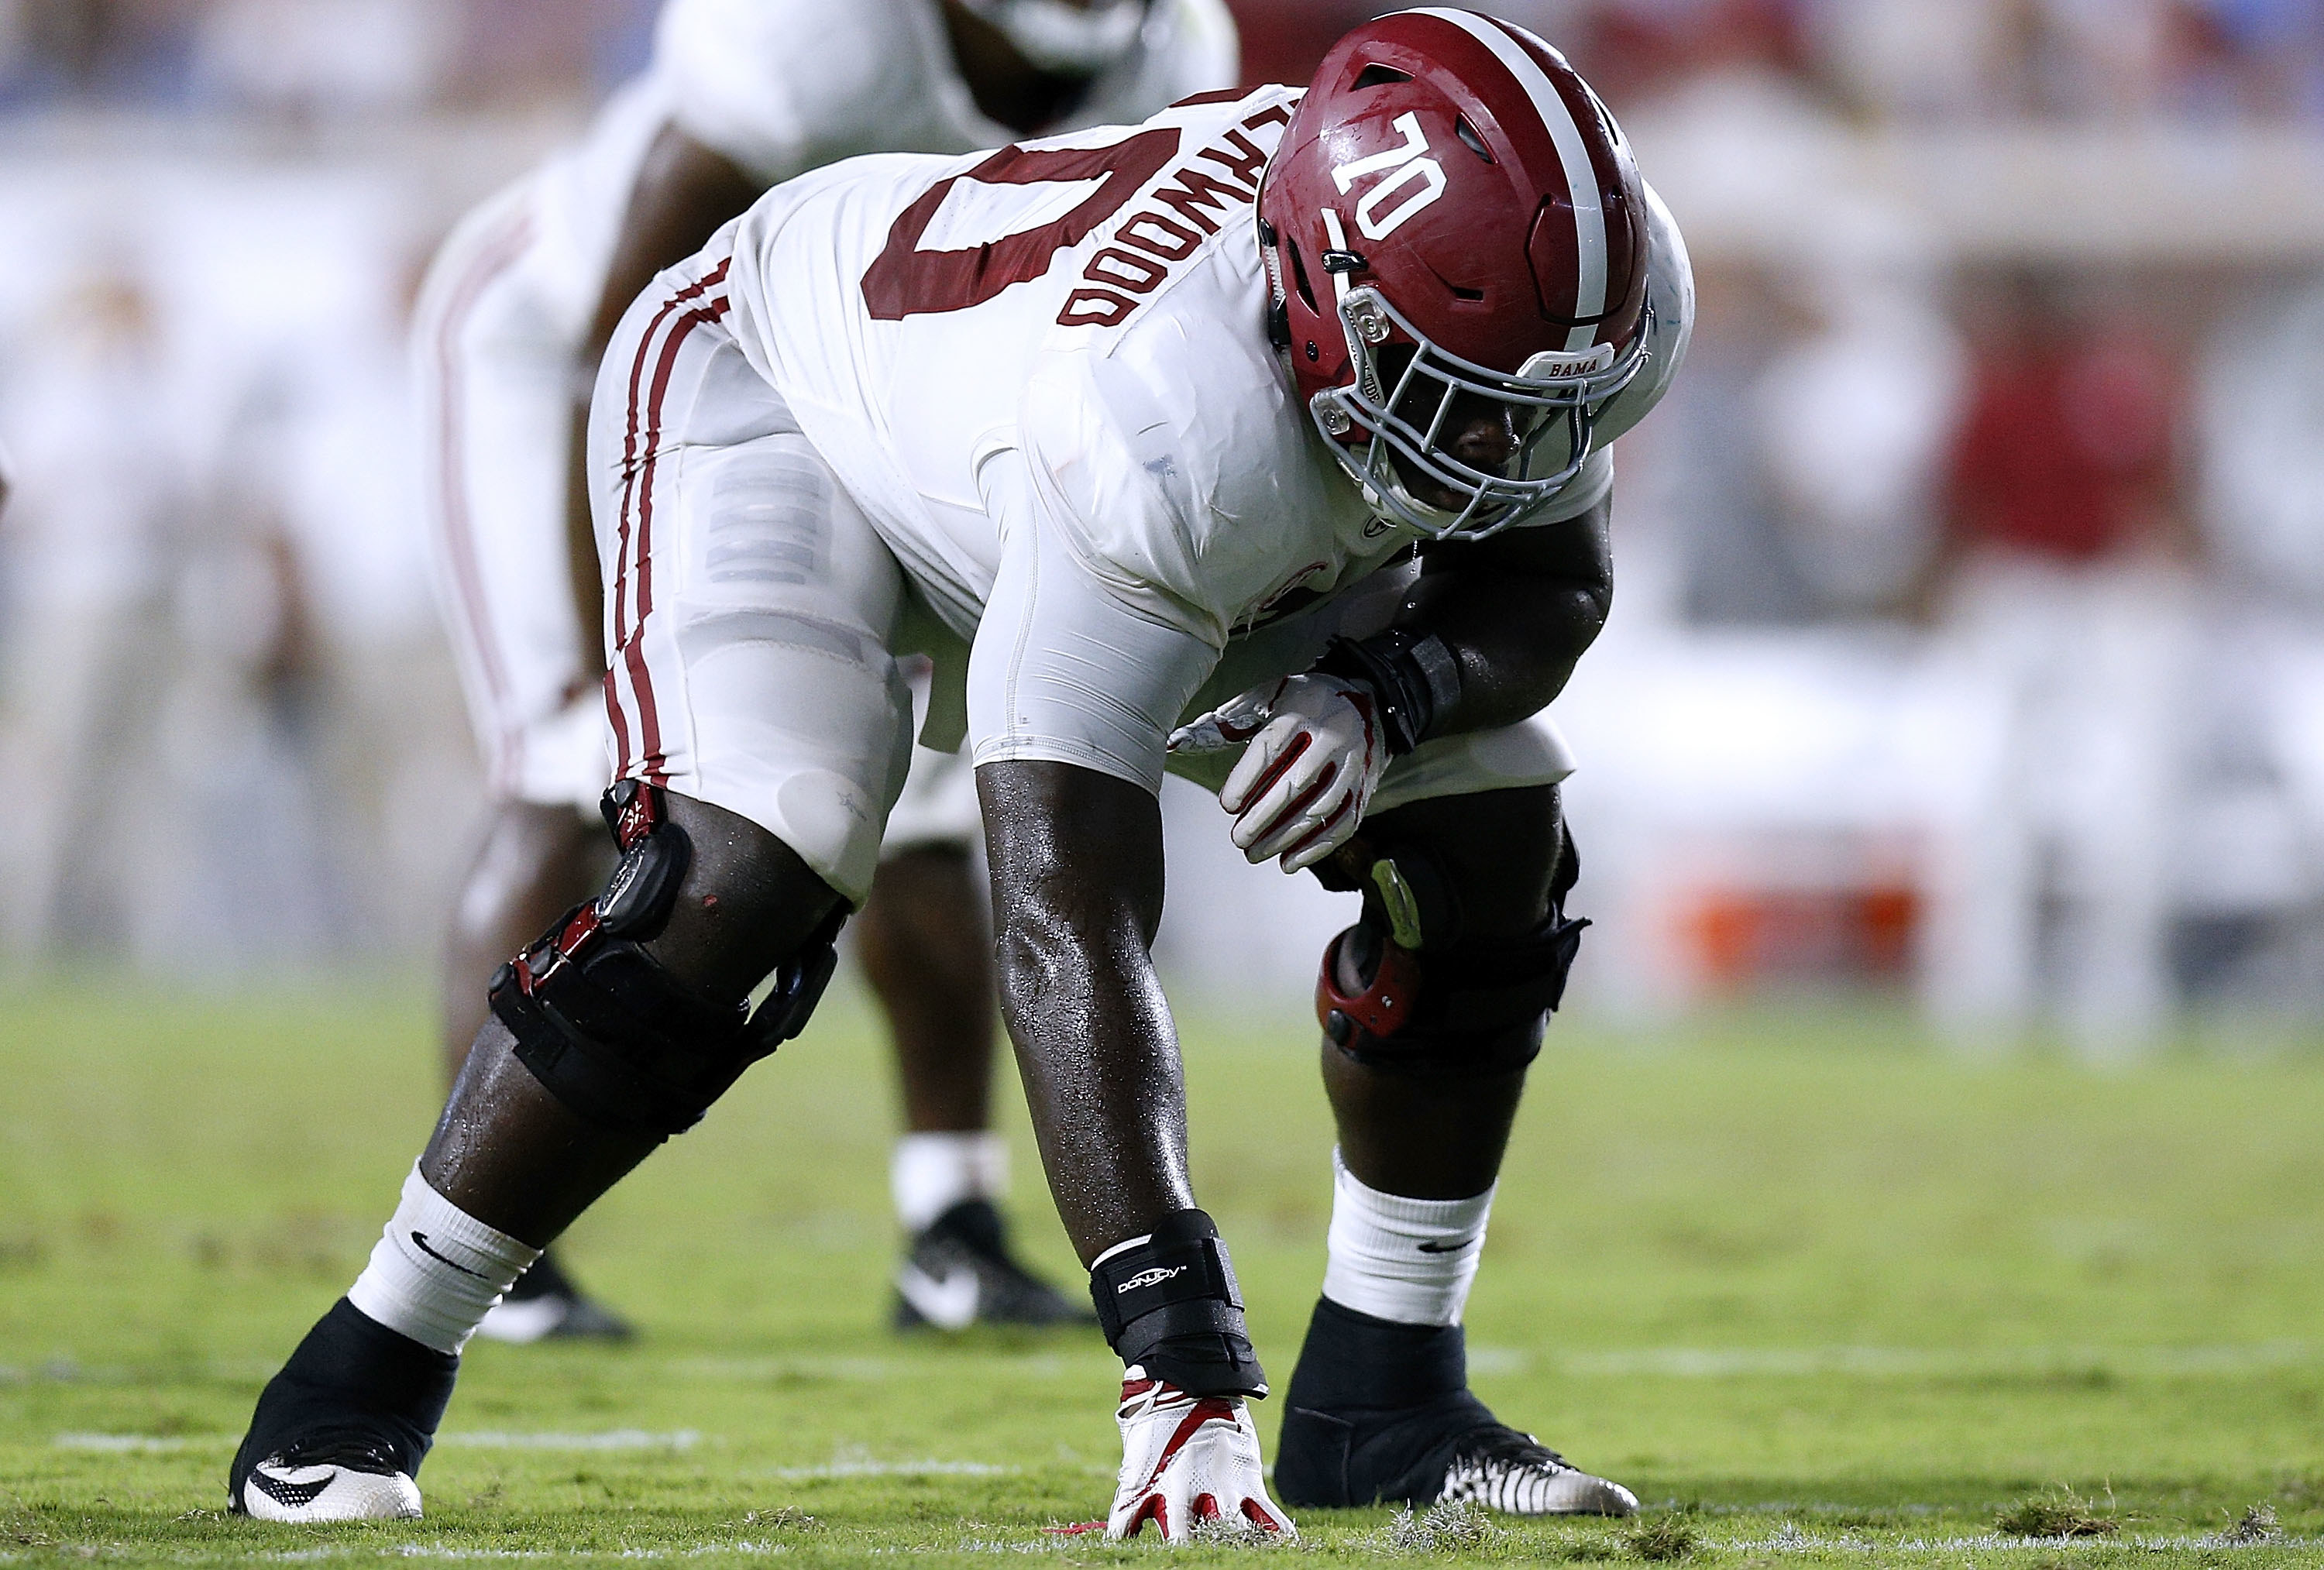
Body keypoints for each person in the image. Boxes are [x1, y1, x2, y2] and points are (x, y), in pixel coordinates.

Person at [230, 8, 1692, 1535]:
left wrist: (1386, 700)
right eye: (1449, 388)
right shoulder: (1163, 420)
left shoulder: (1584, 294)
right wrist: (1179, 1365)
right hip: (777, 398)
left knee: (1488, 816)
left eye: (1530, 405)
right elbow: (1066, 909)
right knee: (756, 860)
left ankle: (1384, 1395)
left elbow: (1551, 582)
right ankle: (365, 1364)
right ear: (1316, 290)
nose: (1495, 451)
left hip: (1063, 461)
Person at [413, 0, 1236, 1340]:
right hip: (577, 355)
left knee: (913, 795)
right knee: (574, 769)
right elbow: (622, 339)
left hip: (841, 397)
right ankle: (493, 1252)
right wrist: (631, 673)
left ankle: (952, 1230)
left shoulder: (1170, 49)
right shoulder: (813, 33)